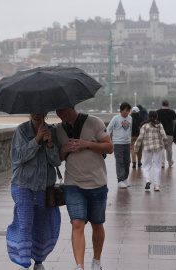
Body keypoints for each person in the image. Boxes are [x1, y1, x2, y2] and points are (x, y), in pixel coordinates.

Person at [55, 107, 113, 270]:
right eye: (57, 111)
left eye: (62, 109)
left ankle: (96, 261)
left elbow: (109, 147)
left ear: (72, 105)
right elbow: (57, 157)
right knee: (77, 223)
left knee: (97, 224)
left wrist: (86, 144)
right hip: (73, 184)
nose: (60, 113)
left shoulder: (94, 122)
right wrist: (64, 150)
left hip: (97, 182)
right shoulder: (59, 129)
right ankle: (79, 265)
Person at [7, 113, 62, 270]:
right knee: (25, 223)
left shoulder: (52, 130)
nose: (36, 114)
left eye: (40, 111)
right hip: (23, 185)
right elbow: (18, 157)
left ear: (45, 113)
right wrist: (37, 139)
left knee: (41, 225)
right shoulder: (22, 130)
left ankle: (38, 261)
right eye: (33, 111)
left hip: (45, 187)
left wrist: (50, 144)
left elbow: (56, 161)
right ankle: (24, 263)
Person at [134, 111, 168, 191]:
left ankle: (148, 180)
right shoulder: (159, 125)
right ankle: (157, 186)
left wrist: (136, 147)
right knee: (157, 166)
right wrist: (166, 145)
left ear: (148, 117)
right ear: (156, 117)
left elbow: (140, 138)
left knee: (146, 166)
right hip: (158, 147)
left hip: (147, 148)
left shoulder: (144, 125)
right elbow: (164, 136)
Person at [106, 102, 132, 189]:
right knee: (119, 161)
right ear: (121, 110)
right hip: (118, 143)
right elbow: (108, 129)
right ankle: (120, 180)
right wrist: (107, 141)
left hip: (127, 143)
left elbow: (130, 130)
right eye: (126, 110)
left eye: (128, 110)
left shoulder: (130, 118)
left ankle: (125, 178)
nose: (127, 112)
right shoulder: (115, 118)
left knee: (127, 161)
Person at [156, 99, 176, 168]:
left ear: (162, 104)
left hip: (160, 133)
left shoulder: (158, 112)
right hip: (169, 132)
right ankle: (170, 161)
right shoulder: (172, 112)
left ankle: (162, 163)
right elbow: (174, 122)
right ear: (168, 104)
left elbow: (155, 122)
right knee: (169, 148)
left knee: (161, 148)